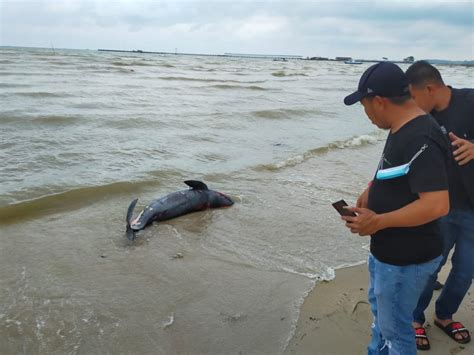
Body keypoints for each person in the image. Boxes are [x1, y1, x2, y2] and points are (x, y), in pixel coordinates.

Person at [342, 61, 451, 355]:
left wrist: (378, 222)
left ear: (379, 101)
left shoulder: (421, 136)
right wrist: (370, 189)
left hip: (406, 259)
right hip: (389, 253)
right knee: (383, 319)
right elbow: (396, 169)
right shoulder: (402, 126)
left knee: (397, 333)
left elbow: (437, 204)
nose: (367, 116)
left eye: (365, 108)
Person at [406, 61, 473, 350]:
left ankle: (444, 315)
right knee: (430, 267)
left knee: (466, 270)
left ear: (430, 88)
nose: (411, 104)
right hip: (441, 207)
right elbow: (403, 155)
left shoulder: (471, 101)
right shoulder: (422, 120)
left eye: (413, 96)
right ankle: (414, 318)